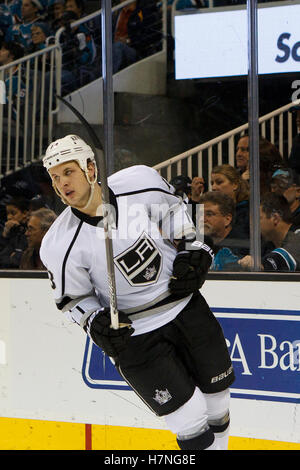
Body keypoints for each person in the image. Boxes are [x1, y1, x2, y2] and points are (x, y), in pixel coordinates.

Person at [40, 134, 234, 451]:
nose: (62, 183)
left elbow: (177, 212)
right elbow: (73, 300)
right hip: (137, 334)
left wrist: (194, 249)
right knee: (189, 418)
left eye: (69, 172)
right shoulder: (57, 244)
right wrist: (93, 321)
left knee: (217, 401)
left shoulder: (139, 180)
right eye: (55, 177)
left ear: (90, 167)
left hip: (185, 306)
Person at [238, 192, 300, 272]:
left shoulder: (297, 237)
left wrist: (260, 264)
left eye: (257, 219)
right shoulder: (267, 245)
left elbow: (281, 258)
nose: (251, 225)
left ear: (275, 218)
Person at [200, 191, 247, 271]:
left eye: (209, 214)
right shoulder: (198, 244)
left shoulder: (243, 247)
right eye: (200, 214)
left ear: (227, 219)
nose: (202, 219)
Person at [210, 164, 250, 244]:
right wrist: (194, 199)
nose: (213, 187)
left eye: (219, 182)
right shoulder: (208, 210)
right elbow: (196, 243)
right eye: (212, 183)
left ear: (235, 185)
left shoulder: (249, 210)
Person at [0, 196, 29, 268]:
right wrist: (5, 235)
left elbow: (21, 259)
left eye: (13, 213)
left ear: (25, 213)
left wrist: (14, 256)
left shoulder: (29, 232)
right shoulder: (10, 232)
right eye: (7, 213)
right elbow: (2, 258)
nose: (9, 217)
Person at [270, 168, 300, 232]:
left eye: (281, 185)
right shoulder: (268, 214)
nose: (273, 190)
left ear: (298, 191)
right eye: (273, 186)